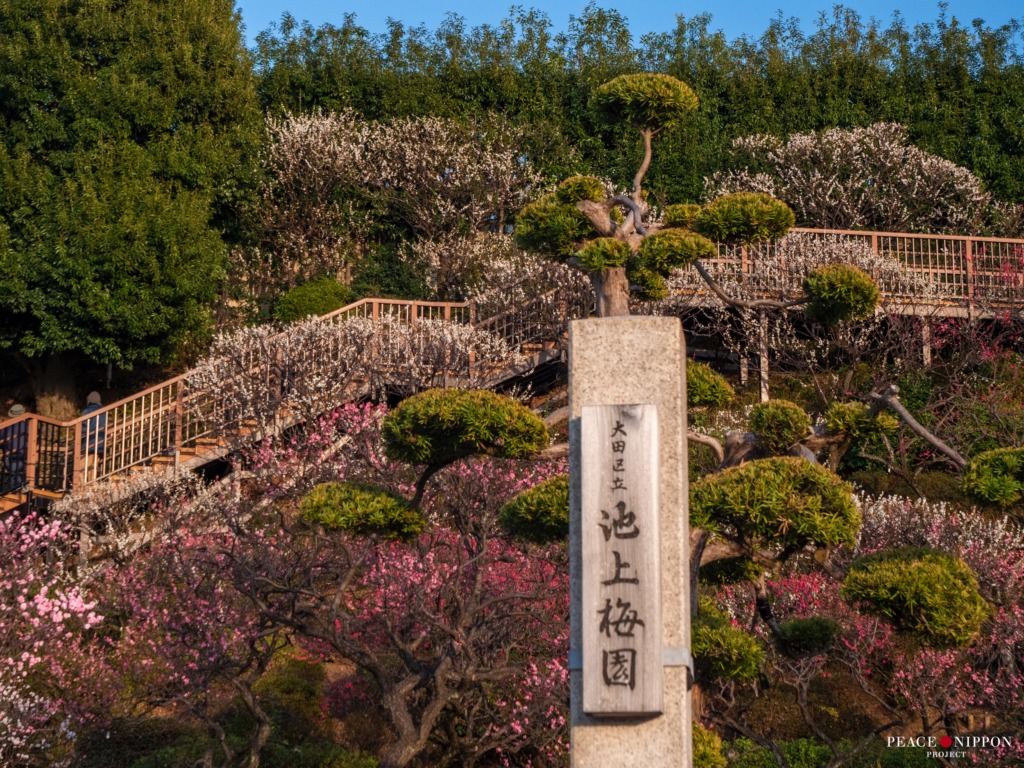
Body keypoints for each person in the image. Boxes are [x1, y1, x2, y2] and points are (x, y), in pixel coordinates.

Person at [1, 404, 28, 492]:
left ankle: (14, 489)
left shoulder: (5, 427)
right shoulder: (28, 425)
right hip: (24, 456)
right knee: (26, 471)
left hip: (9, 458)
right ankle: (22, 488)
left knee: (14, 473)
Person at [81, 391, 107, 456]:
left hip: (89, 445)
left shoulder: (86, 412)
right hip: (101, 445)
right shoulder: (104, 412)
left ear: (89, 401)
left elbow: (83, 429)